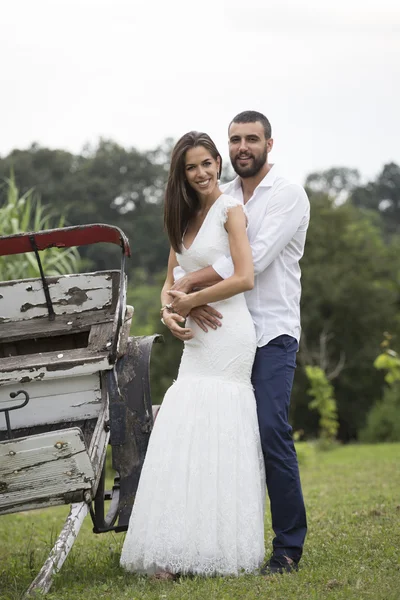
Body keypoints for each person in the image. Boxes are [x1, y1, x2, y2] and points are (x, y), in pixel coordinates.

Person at [169, 111, 310, 574]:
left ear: (270, 143)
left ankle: (288, 546)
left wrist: (188, 289)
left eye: (252, 139)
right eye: (235, 140)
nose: (242, 147)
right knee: (219, 435)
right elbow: (187, 257)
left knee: (270, 430)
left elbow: (248, 263)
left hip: (270, 331)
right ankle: (208, 542)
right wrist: (173, 305)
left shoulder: (287, 196)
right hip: (222, 332)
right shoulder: (222, 196)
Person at [120, 131, 266, 578]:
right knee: (185, 427)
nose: (201, 173)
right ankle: (176, 547)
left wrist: (189, 301)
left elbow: (245, 277)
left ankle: (217, 549)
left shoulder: (230, 210)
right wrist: (171, 311)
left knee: (217, 426)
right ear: (180, 174)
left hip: (228, 334)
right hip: (195, 340)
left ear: (218, 163)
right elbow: (170, 282)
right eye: (191, 167)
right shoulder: (182, 220)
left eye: (207, 163)